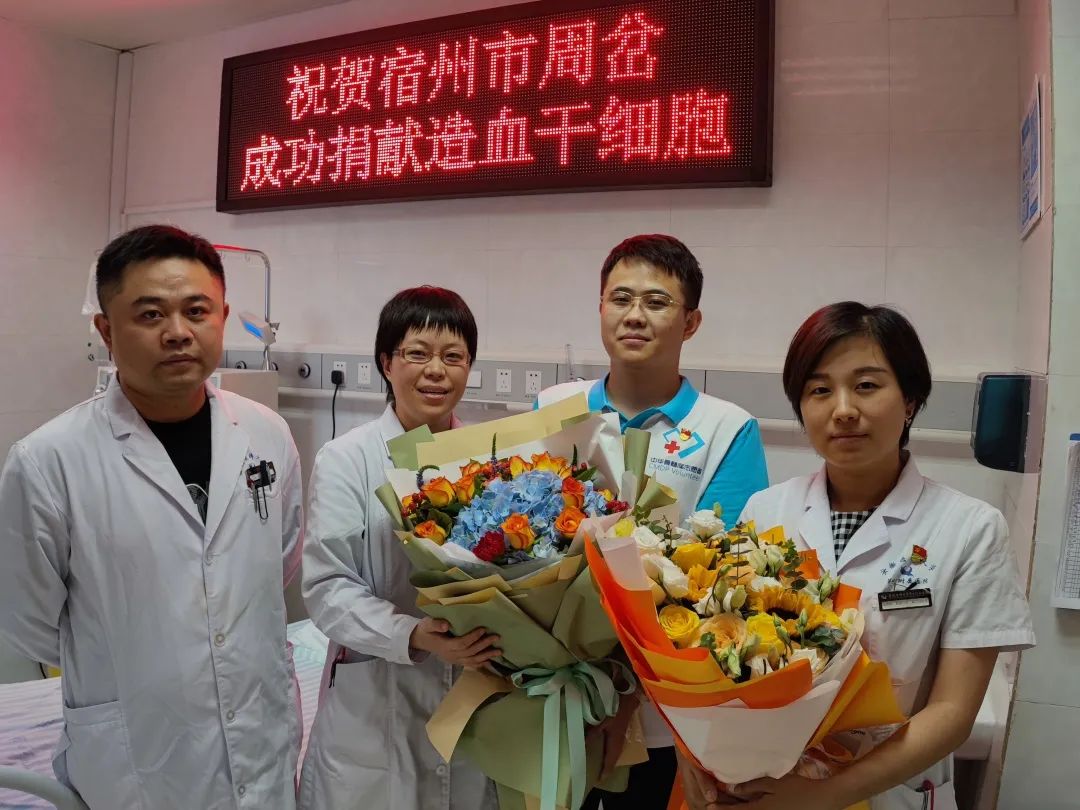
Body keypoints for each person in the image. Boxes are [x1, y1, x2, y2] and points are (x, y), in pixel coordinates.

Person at [678, 302, 1036, 810]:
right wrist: (693, 754)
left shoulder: (970, 529)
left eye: (866, 385)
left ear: (910, 400)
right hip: (764, 784)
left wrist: (818, 797)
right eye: (820, 390)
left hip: (889, 793)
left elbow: (952, 714)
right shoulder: (765, 510)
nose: (843, 409)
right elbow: (715, 654)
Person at [0, 225, 304, 809]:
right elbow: (27, 621)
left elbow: (278, 565)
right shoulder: (48, 461)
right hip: (137, 762)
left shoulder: (267, 433)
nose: (178, 332)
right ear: (106, 330)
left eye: (197, 310)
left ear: (223, 317)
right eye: (150, 314)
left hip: (262, 742)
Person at [537, 234, 770, 810]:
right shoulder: (555, 408)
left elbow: (721, 582)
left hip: (664, 712)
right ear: (600, 308)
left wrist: (625, 693)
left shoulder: (726, 430)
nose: (635, 315)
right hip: (553, 692)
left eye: (656, 302)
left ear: (691, 323)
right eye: (620, 298)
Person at [298, 286, 499, 810]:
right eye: (417, 353)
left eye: (453, 357)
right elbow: (327, 588)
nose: (436, 371)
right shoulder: (347, 460)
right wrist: (412, 634)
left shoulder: (491, 461)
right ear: (386, 363)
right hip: (375, 701)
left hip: (472, 695)